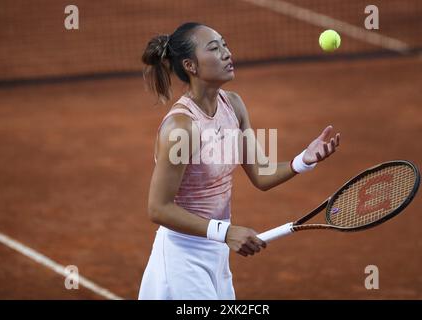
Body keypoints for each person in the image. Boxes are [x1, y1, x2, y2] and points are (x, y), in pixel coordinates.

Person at [138, 22, 340, 300]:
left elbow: (261, 174)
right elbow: (158, 208)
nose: (226, 53)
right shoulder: (181, 127)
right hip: (181, 260)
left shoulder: (232, 104)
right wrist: (225, 232)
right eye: (214, 48)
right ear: (191, 66)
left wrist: (302, 161)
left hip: (216, 254)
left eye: (224, 44)